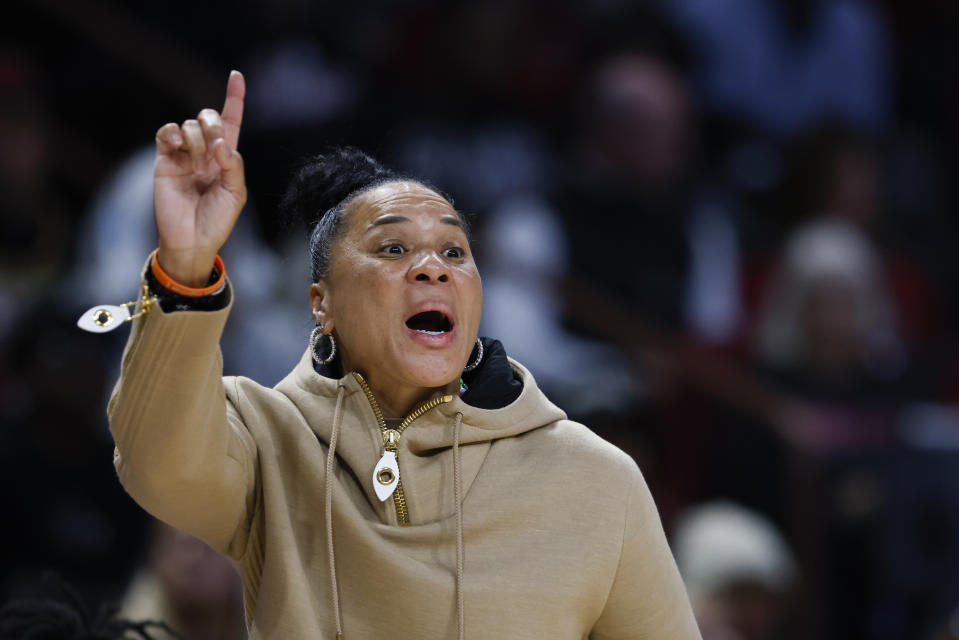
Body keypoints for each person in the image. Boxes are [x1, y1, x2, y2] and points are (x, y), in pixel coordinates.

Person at [107, 71, 701, 639]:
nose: (432, 267)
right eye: (392, 247)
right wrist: (184, 266)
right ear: (323, 303)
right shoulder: (263, 439)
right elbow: (156, 462)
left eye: (454, 250)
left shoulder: (595, 478)